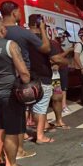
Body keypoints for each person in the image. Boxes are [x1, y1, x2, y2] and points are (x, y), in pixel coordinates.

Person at [0, 0, 50, 159]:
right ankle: (19, 151)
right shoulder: (22, 32)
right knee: (19, 114)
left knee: (0, 116)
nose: (20, 15)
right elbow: (46, 48)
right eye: (19, 12)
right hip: (19, 77)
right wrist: (43, 30)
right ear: (14, 13)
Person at [0, 15, 32, 166]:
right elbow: (23, 72)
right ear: (1, 29)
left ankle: (0, 159)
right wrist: (26, 83)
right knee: (12, 131)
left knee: (0, 125)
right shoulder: (9, 45)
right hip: (9, 92)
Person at [28, 15, 68, 144]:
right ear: (40, 23)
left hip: (27, 77)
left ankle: (26, 133)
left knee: (31, 106)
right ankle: (40, 135)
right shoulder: (45, 41)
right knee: (41, 108)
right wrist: (68, 62)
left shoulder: (23, 39)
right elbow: (56, 59)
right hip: (43, 77)